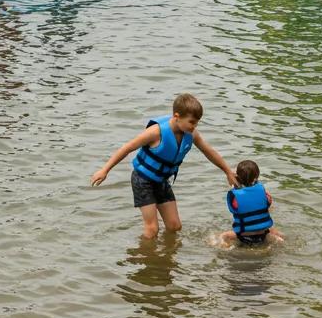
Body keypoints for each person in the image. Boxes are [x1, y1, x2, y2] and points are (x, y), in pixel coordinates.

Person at [90, 93, 237, 240]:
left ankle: (165, 255)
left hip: (161, 180)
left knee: (175, 226)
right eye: (191, 122)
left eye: (197, 123)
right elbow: (127, 147)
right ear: (176, 116)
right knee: (152, 229)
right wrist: (105, 170)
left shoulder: (191, 134)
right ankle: (144, 257)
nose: (194, 127)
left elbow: (208, 151)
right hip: (143, 180)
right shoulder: (156, 132)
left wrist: (227, 171)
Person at [220, 160, 284, 248]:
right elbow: (268, 202)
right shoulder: (263, 192)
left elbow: (234, 208)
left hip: (243, 234)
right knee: (276, 232)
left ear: (237, 177)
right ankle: (280, 239)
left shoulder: (235, 196)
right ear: (257, 177)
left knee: (224, 235)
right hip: (263, 233)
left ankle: (222, 243)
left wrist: (234, 181)